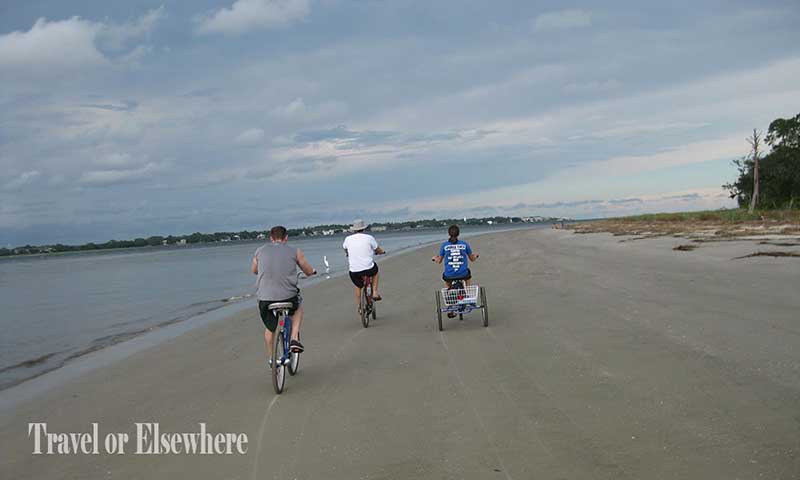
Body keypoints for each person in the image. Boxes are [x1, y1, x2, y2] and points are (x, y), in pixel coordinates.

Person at [251, 226, 316, 363]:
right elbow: (307, 269)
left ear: (271, 238)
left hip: (264, 298)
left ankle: (272, 358)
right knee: (298, 307)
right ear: (286, 238)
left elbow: (254, 270)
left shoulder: (259, 251)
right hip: (288, 296)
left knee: (270, 328)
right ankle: (294, 338)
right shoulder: (295, 251)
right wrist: (312, 272)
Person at [432, 225, 479, 317]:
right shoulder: (465, 244)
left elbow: (439, 261)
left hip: (449, 274)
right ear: (458, 234)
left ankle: (450, 302)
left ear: (449, 234)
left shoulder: (444, 245)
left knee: (447, 280)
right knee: (468, 277)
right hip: (463, 273)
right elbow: (472, 259)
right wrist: (476, 256)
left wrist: (434, 258)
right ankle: (468, 294)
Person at [342, 219, 385, 312]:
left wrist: (348, 253)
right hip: (369, 269)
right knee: (376, 272)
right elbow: (377, 249)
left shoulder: (348, 239)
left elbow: (345, 249)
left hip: (354, 271)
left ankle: (360, 307)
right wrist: (382, 252)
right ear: (363, 228)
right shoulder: (369, 238)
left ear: (354, 229)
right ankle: (375, 292)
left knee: (358, 286)